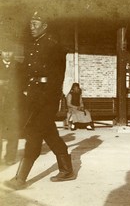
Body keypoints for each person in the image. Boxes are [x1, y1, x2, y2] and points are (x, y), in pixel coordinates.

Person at [4, 11, 75, 190]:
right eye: (31, 24)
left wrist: (48, 99)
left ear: (45, 26)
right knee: (49, 133)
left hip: (47, 97)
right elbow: (27, 72)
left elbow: (58, 77)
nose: (32, 27)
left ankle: (20, 178)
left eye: (36, 24)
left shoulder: (54, 46)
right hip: (34, 95)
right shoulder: (34, 44)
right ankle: (67, 170)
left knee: (34, 135)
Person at [0, 47, 23, 165]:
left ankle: (10, 157)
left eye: (9, 51)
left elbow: (23, 83)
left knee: (13, 131)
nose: (7, 54)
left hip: (13, 104)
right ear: (1, 52)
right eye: (5, 51)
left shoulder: (19, 66)